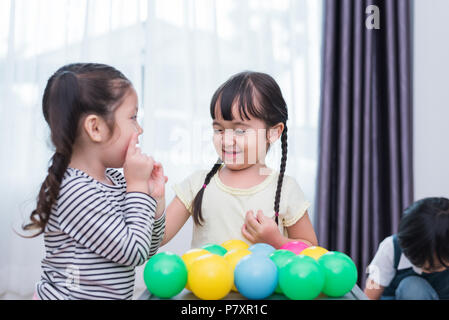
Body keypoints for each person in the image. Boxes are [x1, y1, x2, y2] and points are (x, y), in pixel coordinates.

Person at [23, 63, 167, 300]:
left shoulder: (117, 182)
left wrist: (155, 199)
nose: (139, 129)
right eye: (133, 117)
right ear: (96, 128)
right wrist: (139, 189)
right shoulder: (76, 191)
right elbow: (134, 252)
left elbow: (147, 248)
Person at [161, 71, 318, 249]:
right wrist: (155, 197)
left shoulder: (286, 189)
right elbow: (157, 238)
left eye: (240, 131)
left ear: (273, 132)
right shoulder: (197, 184)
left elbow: (311, 250)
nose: (227, 141)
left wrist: (277, 241)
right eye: (219, 130)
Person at [364, 197, 449, 300]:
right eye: (427, 267)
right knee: (413, 288)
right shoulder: (391, 248)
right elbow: (370, 296)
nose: (429, 270)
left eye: (437, 266)